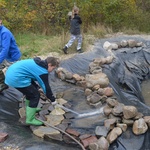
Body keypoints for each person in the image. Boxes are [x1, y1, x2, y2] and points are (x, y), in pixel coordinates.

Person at [5, 56, 59, 126]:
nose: (52, 71)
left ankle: (29, 108)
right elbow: (46, 87)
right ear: (49, 65)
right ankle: (30, 119)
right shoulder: (42, 71)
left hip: (11, 73)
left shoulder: (37, 63)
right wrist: (53, 100)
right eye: (53, 68)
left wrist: (36, 87)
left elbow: (30, 74)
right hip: (16, 78)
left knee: (30, 92)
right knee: (35, 95)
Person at [0, 18, 21, 92]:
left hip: (12, 57)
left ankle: (29, 89)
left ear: (0, 21)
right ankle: (3, 84)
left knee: (16, 75)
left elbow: (5, 49)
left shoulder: (5, 33)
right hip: (4, 56)